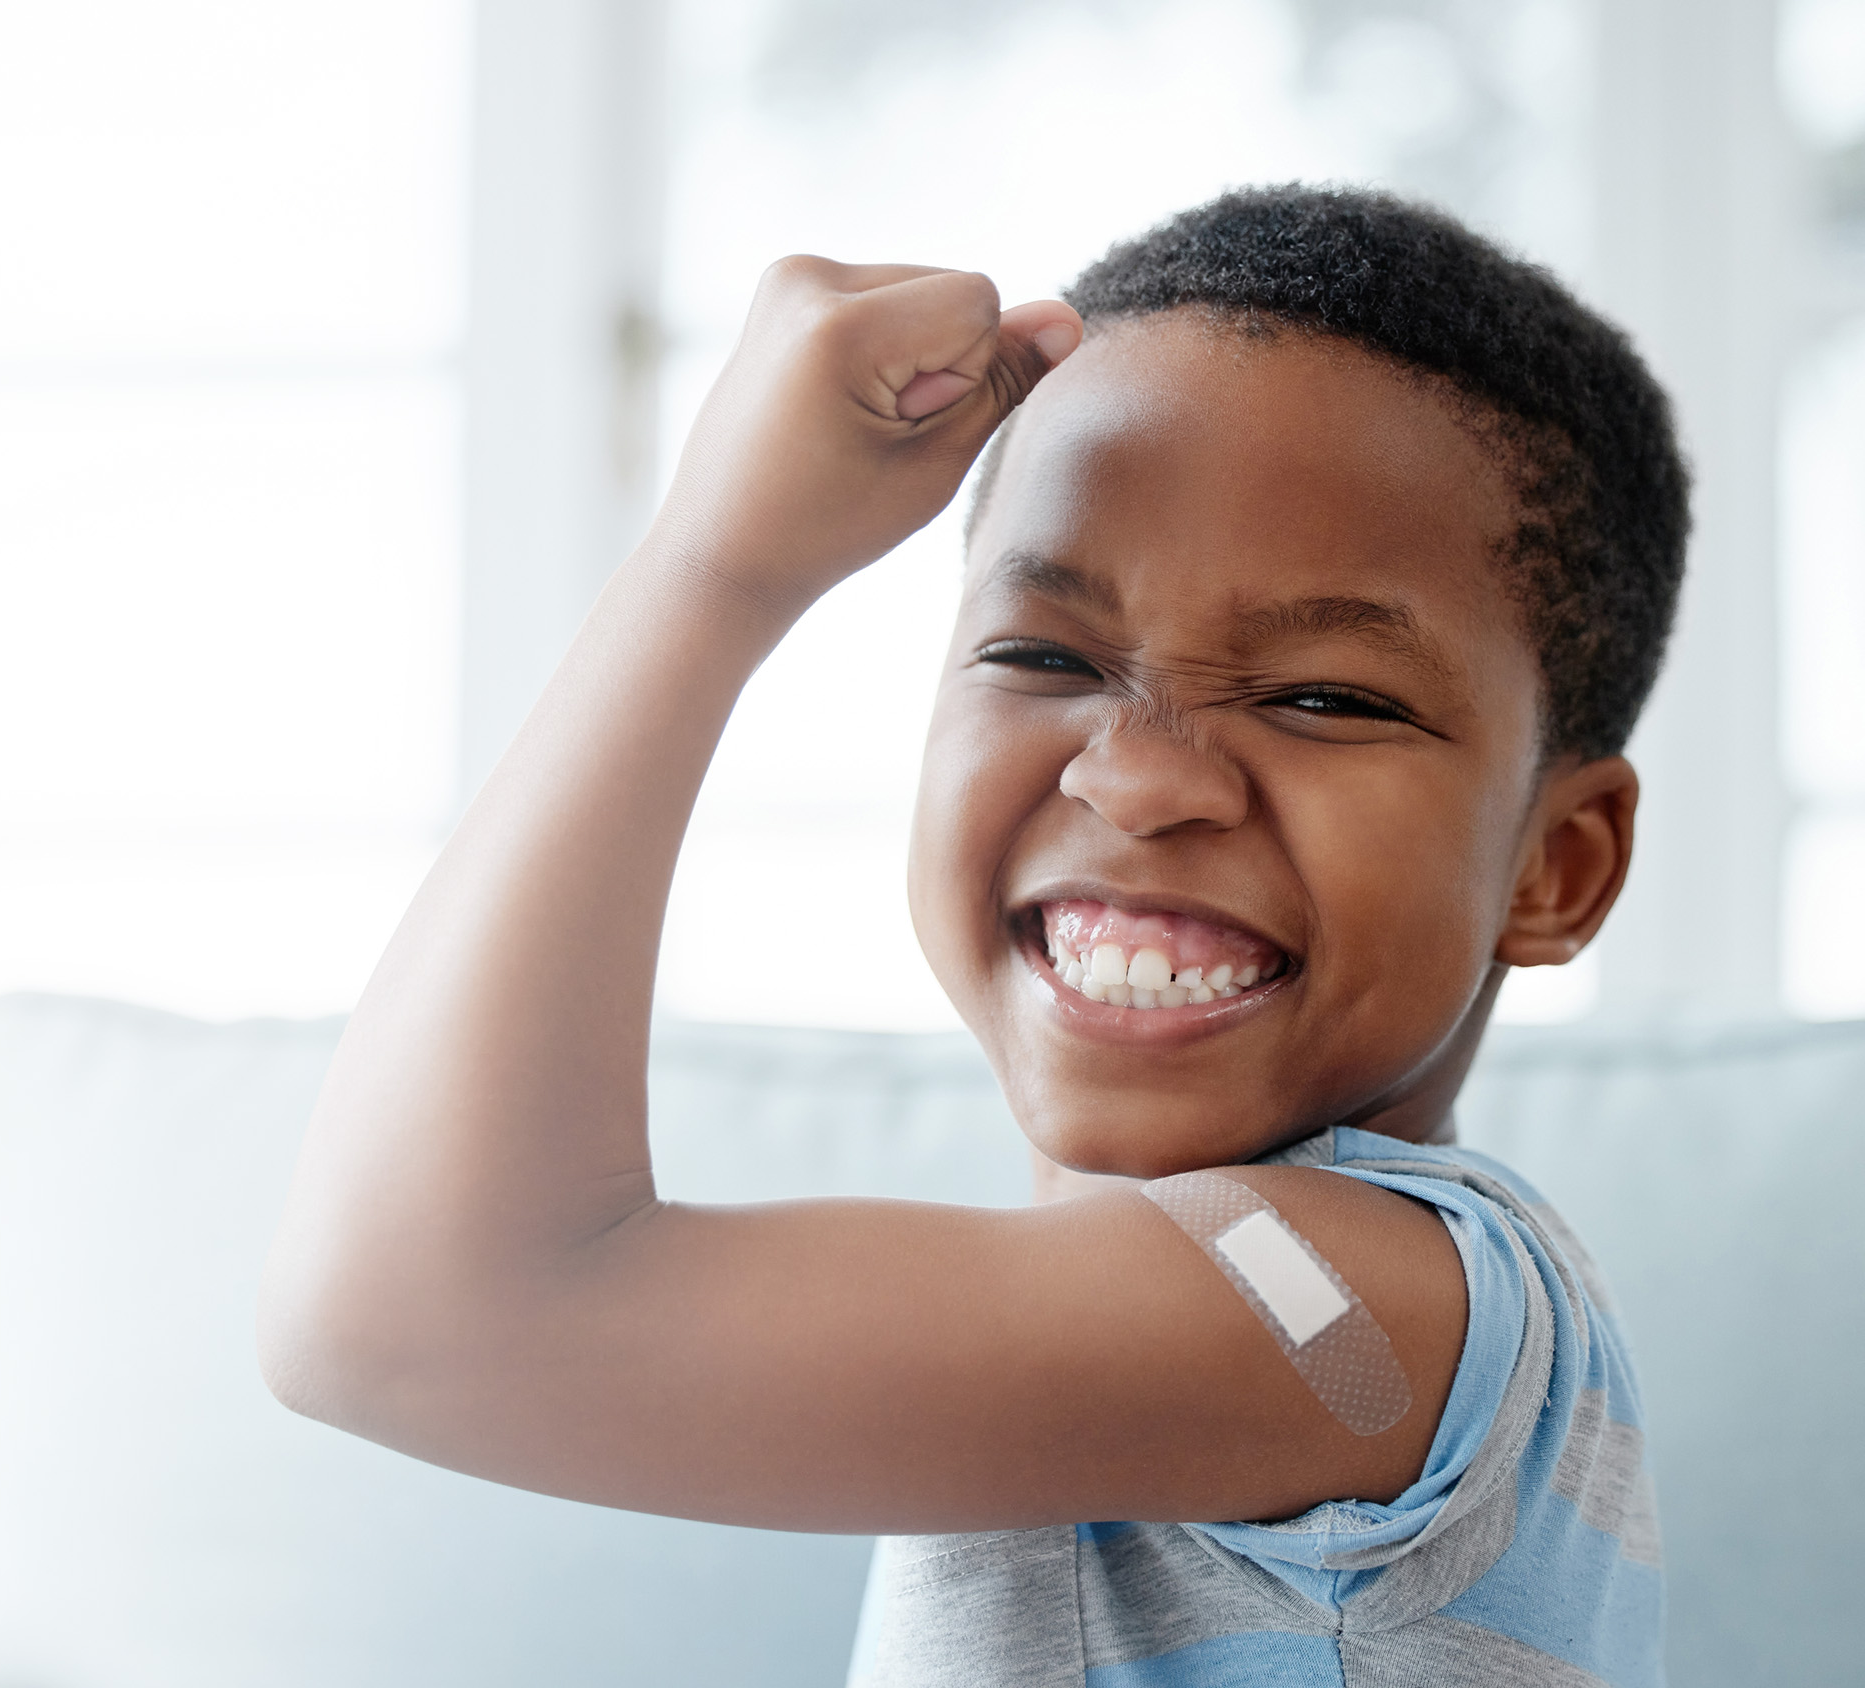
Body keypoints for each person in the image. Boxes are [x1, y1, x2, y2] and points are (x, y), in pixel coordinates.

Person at [257, 185, 1682, 1686]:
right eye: (1043, 654)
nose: (1135, 774)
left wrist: (716, 569)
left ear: (1556, 865)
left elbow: (415, 1318)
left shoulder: (1350, 1309)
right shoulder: (1260, 1322)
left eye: (1325, 697)